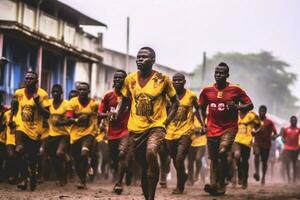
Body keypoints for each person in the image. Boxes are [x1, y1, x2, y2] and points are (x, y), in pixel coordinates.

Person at [116, 47, 179, 200]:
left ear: (153, 60)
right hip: (136, 128)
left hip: (156, 126)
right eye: (138, 56)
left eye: (144, 57)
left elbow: (175, 103)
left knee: (151, 152)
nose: (140, 59)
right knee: (143, 165)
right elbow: (124, 100)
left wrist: (166, 122)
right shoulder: (130, 79)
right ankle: (148, 197)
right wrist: (116, 113)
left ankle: (152, 195)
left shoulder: (163, 79)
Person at [198, 62, 253, 196]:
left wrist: (238, 107)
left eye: (221, 73)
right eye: (216, 72)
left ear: (227, 75)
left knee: (222, 152)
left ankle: (224, 179)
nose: (218, 75)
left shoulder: (236, 90)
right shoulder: (207, 91)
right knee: (213, 158)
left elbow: (250, 105)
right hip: (212, 129)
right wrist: (203, 124)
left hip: (229, 128)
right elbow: (200, 107)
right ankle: (214, 185)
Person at [9, 71, 50, 191]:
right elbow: (14, 107)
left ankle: (32, 176)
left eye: (31, 79)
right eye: (26, 78)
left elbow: (47, 114)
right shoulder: (18, 93)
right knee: (19, 150)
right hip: (21, 126)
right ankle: (23, 178)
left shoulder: (42, 94)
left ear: (36, 81)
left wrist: (37, 103)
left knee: (32, 158)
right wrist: (11, 119)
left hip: (35, 130)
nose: (28, 81)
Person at [165, 73, 200, 194]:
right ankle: (183, 175)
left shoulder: (191, 95)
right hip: (170, 132)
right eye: (175, 80)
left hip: (186, 131)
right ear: (172, 82)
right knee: (175, 159)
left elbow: (198, 109)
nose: (177, 82)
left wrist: (203, 124)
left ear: (184, 82)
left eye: (180, 80)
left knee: (180, 157)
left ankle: (180, 186)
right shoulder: (167, 96)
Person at [98, 70, 131, 194]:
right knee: (113, 160)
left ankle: (119, 183)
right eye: (115, 78)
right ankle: (124, 172)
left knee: (122, 154)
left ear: (125, 80)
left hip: (126, 130)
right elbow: (99, 114)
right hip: (111, 132)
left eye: (121, 78)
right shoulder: (108, 95)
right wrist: (109, 114)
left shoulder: (130, 96)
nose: (117, 80)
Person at [66, 82, 98, 189]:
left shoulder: (94, 104)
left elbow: (101, 114)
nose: (82, 92)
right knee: (76, 158)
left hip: (89, 133)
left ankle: (83, 179)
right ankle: (81, 177)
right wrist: (76, 119)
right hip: (75, 134)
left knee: (84, 153)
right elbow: (68, 118)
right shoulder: (72, 102)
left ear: (89, 91)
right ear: (77, 91)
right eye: (80, 90)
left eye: (85, 90)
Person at [45, 84, 70, 186]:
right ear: (51, 93)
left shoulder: (66, 104)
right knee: (54, 158)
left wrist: (61, 123)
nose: (55, 93)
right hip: (51, 135)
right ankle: (60, 176)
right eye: (53, 92)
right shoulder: (48, 103)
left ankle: (63, 178)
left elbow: (70, 121)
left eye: (57, 92)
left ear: (61, 93)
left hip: (63, 134)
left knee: (59, 153)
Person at [232, 109, 261, 189]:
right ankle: (240, 173)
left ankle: (245, 180)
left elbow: (259, 125)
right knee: (237, 155)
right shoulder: (235, 114)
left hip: (247, 141)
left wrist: (256, 132)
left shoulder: (252, 115)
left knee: (245, 161)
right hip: (236, 140)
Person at [253, 105, 278, 185]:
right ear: (259, 111)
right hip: (257, 142)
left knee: (264, 161)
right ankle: (257, 172)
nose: (262, 112)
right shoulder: (255, 120)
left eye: (263, 111)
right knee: (256, 155)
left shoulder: (270, 122)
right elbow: (251, 129)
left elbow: (275, 133)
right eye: (260, 110)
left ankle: (263, 176)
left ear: (265, 112)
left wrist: (274, 136)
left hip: (266, 144)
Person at [188, 114, 207, 186]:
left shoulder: (203, 117)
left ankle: (197, 172)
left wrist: (198, 130)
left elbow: (206, 129)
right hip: (191, 142)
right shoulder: (189, 118)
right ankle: (190, 179)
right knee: (190, 162)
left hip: (201, 142)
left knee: (198, 158)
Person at [281, 115, 300, 183]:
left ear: (296, 121)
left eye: (295, 120)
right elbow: (282, 138)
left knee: (295, 164)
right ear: (290, 121)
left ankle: (294, 179)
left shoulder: (298, 129)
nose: (294, 121)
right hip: (287, 149)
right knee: (287, 163)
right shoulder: (286, 129)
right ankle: (289, 178)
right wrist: (283, 140)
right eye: (292, 120)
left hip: (296, 149)